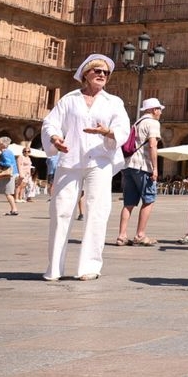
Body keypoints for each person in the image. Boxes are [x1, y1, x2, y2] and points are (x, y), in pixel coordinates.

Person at [42, 54, 130, 281]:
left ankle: (89, 267)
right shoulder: (69, 100)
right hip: (70, 159)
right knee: (60, 211)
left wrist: (107, 132)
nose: (102, 75)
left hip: (99, 161)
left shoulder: (114, 102)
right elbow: (50, 122)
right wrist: (54, 138)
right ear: (85, 74)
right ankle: (54, 269)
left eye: (106, 73)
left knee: (97, 211)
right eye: (97, 71)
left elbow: (123, 129)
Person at [116, 98, 164, 247]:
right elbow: (152, 146)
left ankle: (122, 236)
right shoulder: (153, 123)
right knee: (149, 199)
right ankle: (140, 235)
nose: (160, 112)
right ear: (154, 110)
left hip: (128, 165)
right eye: (159, 109)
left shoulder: (136, 123)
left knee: (128, 202)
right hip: (143, 166)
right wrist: (155, 168)